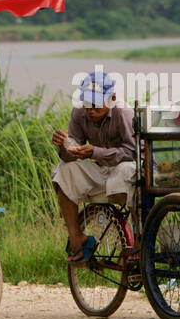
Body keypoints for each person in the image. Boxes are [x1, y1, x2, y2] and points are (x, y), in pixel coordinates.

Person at [51, 71, 136, 263]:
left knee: (129, 171)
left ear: (112, 99)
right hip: (101, 170)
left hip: (123, 169)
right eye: (87, 103)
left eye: (96, 103)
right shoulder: (79, 113)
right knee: (63, 171)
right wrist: (64, 145)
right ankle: (77, 238)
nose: (90, 109)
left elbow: (132, 153)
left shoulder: (123, 113)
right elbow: (72, 155)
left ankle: (139, 242)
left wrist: (95, 152)